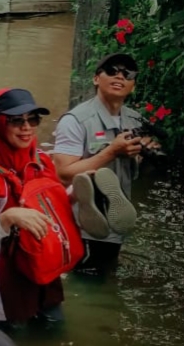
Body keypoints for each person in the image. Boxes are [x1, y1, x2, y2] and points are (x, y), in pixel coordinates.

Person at [0, 88, 66, 328]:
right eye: (16, 120)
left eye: (33, 119)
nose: (27, 127)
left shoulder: (41, 161)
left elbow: (56, 212)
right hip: (3, 281)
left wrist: (76, 196)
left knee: (55, 328)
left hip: (44, 268)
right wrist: (7, 219)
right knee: (7, 336)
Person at [52, 53, 153, 272]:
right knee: (86, 276)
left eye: (127, 73)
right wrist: (112, 152)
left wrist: (143, 154)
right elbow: (63, 174)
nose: (120, 76)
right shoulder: (75, 120)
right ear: (96, 78)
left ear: (133, 84)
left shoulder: (134, 119)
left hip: (117, 216)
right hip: (83, 223)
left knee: (106, 269)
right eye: (111, 71)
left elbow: (134, 172)